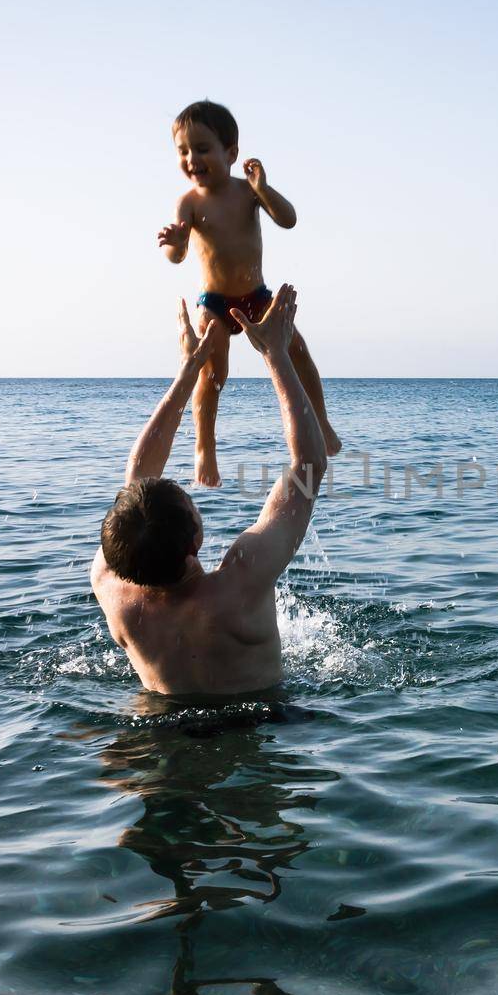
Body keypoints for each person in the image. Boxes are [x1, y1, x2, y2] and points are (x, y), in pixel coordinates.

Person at [92, 286, 326, 695]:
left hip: (161, 728)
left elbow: (136, 484)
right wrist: (275, 354)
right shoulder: (241, 582)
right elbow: (309, 466)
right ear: (195, 540)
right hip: (262, 725)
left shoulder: (113, 589)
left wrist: (189, 371)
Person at [156, 99, 340, 487]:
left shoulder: (247, 193)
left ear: (231, 153)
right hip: (215, 303)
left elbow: (288, 220)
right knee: (212, 373)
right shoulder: (187, 203)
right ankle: (205, 447)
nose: (192, 159)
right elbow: (177, 256)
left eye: (202, 149)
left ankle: (321, 424)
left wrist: (263, 188)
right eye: (183, 151)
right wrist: (175, 240)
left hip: (256, 296)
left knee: (298, 353)